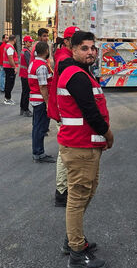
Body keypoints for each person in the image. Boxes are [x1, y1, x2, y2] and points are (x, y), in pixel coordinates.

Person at [57, 31, 111, 267]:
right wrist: (108, 134)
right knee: (78, 197)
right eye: (84, 48)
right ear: (73, 49)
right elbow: (91, 112)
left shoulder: (78, 73)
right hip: (80, 145)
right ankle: (77, 253)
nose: (91, 52)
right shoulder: (77, 76)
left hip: (84, 144)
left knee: (85, 193)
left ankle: (73, 239)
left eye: (93, 48)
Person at [50, 26, 79, 207]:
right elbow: (63, 64)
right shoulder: (64, 56)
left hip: (64, 112)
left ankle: (64, 188)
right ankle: (61, 191)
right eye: (74, 40)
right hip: (63, 114)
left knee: (67, 152)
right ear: (67, 41)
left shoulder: (66, 55)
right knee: (64, 153)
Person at [29, 41, 54, 163]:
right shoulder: (42, 66)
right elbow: (43, 86)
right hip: (41, 100)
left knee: (37, 126)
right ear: (46, 51)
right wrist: (48, 103)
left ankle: (37, 151)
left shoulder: (34, 63)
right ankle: (39, 153)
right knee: (40, 127)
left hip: (35, 99)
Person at [19, 36, 34, 117]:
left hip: (23, 74)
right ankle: (25, 109)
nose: (31, 43)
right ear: (25, 42)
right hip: (26, 75)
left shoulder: (24, 51)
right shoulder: (26, 52)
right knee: (26, 93)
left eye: (31, 42)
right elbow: (30, 63)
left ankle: (22, 108)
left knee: (24, 92)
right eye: (29, 42)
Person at [1, 34, 18, 105]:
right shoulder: (10, 47)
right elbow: (10, 58)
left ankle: (7, 98)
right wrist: (14, 67)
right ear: (14, 39)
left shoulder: (8, 46)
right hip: (10, 68)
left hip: (7, 67)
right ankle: (7, 98)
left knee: (9, 82)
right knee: (9, 83)